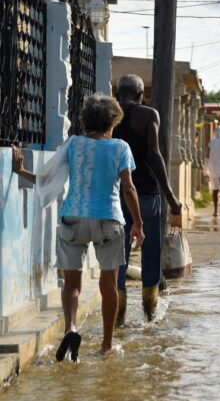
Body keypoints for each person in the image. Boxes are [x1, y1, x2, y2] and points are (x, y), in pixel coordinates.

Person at [10, 95, 144, 358]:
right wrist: (138, 224)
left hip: (73, 219)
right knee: (109, 283)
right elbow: (128, 188)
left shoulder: (74, 144)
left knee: (71, 283)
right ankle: (106, 344)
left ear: (86, 121)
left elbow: (48, 179)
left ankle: (71, 328)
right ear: (112, 122)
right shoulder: (121, 148)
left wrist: (19, 170)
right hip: (109, 221)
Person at [113, 74, 183, 322]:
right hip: (147, 193)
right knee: (150, 250)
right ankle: (149, 314)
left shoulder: (107, 115)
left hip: (118, 193)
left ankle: (118, 316)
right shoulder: (147, 115)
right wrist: (171, 196)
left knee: (118, 253)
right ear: (141, 94)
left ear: (117, 93)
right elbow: (154, 154)